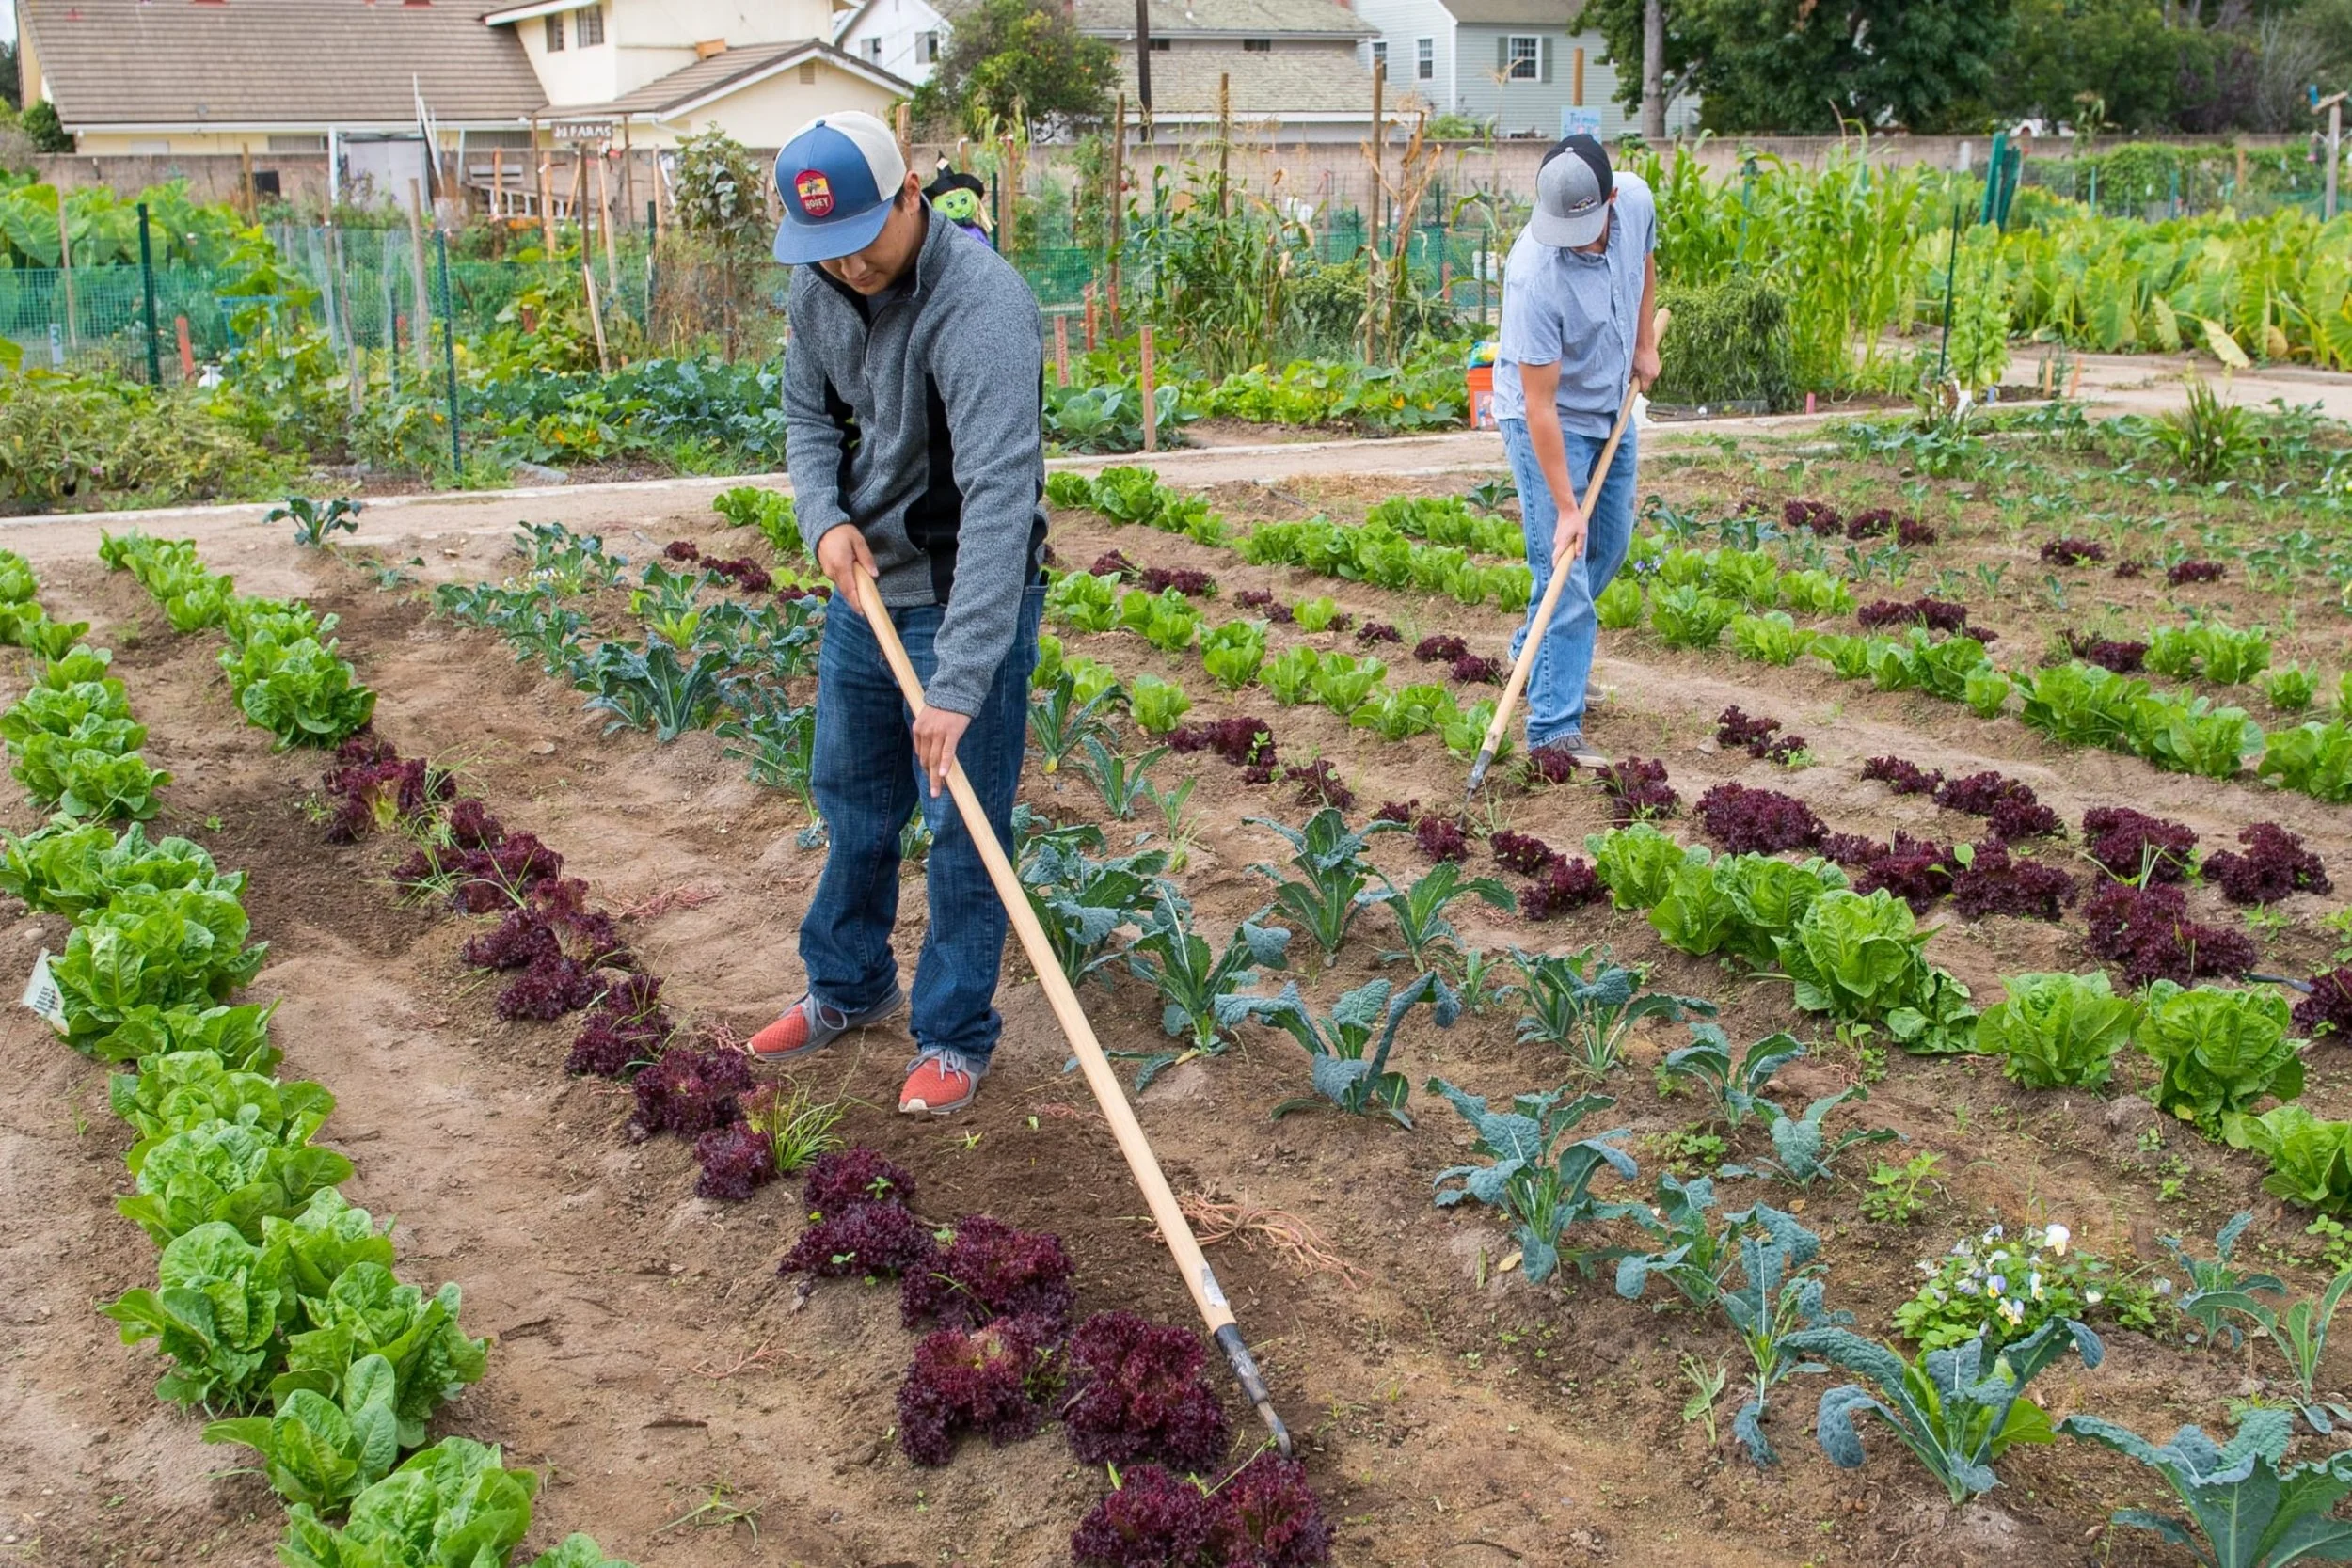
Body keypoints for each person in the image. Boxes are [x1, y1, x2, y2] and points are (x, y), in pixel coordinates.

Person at [747, 110, 1048, 1117]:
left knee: (963, 825)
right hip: (869, 586)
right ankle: (847, 983)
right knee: (853, 798)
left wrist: (959, 683)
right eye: (823, 247)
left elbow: (1001, 501)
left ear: (910, 193)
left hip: (964, 590)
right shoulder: (820, 283)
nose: (847, 266)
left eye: (861, 239)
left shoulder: (982, 306)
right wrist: (823, 519)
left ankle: (954, 1032)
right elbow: (806, 415)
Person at [1491, 133, 1661, 768]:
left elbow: (1644, 261)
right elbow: (1540, 406)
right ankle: (1553, 732)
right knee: (1566, 570)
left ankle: (1531, 650)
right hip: (1546, 420)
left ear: (1611, 200)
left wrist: (1644, 343)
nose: (1574, 241)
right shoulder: (1533, 275)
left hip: (1609, 403)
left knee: (1609, 543)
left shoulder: (1635, 200)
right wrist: (1567, 508)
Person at [924, 166, 995, 248]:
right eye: (950, 204)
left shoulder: (977, 231)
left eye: (964, 201)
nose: (958, 207)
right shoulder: (941, 237)